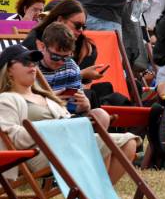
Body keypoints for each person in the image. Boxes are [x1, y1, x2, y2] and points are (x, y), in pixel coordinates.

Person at [0, 44, 136, 185]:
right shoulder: (7, 98)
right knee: (107, 145)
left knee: (129, 143)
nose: (32, 66)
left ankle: (98, 197)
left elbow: (66, 119)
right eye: (25, 62)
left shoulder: (45, 96)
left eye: (34, 62)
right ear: (9, 69)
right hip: (41, 151)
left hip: (67, 141)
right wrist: (51, 127)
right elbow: (13, 139)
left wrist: (83, 108)